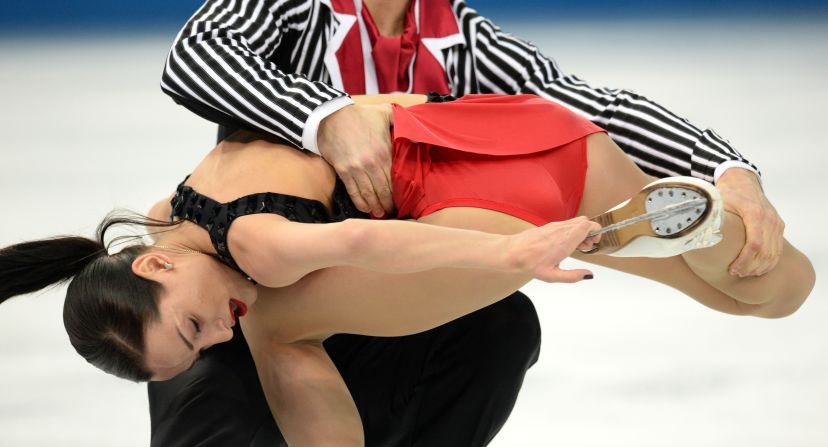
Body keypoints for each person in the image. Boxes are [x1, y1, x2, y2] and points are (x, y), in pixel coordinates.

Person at [0, 94, 815, 446]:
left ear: (155, 260)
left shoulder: (256, 251)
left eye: (192, 326)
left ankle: (643, 230)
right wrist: (732, 171)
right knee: (777, 291)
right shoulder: (169, 228)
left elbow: (368, 248)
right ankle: (694, 232)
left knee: (280, 330)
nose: (215, 332)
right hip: (543, 137)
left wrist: (514, 251)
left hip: (485, 198)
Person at [153, 0, 786, 444]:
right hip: (253, 291)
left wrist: (726, 168)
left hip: (382, 277)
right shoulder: (291, 5)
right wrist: (325, 116)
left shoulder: (462, 37)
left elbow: (590, 108)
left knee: (498, 327)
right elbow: (194, 57)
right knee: (218, 346)